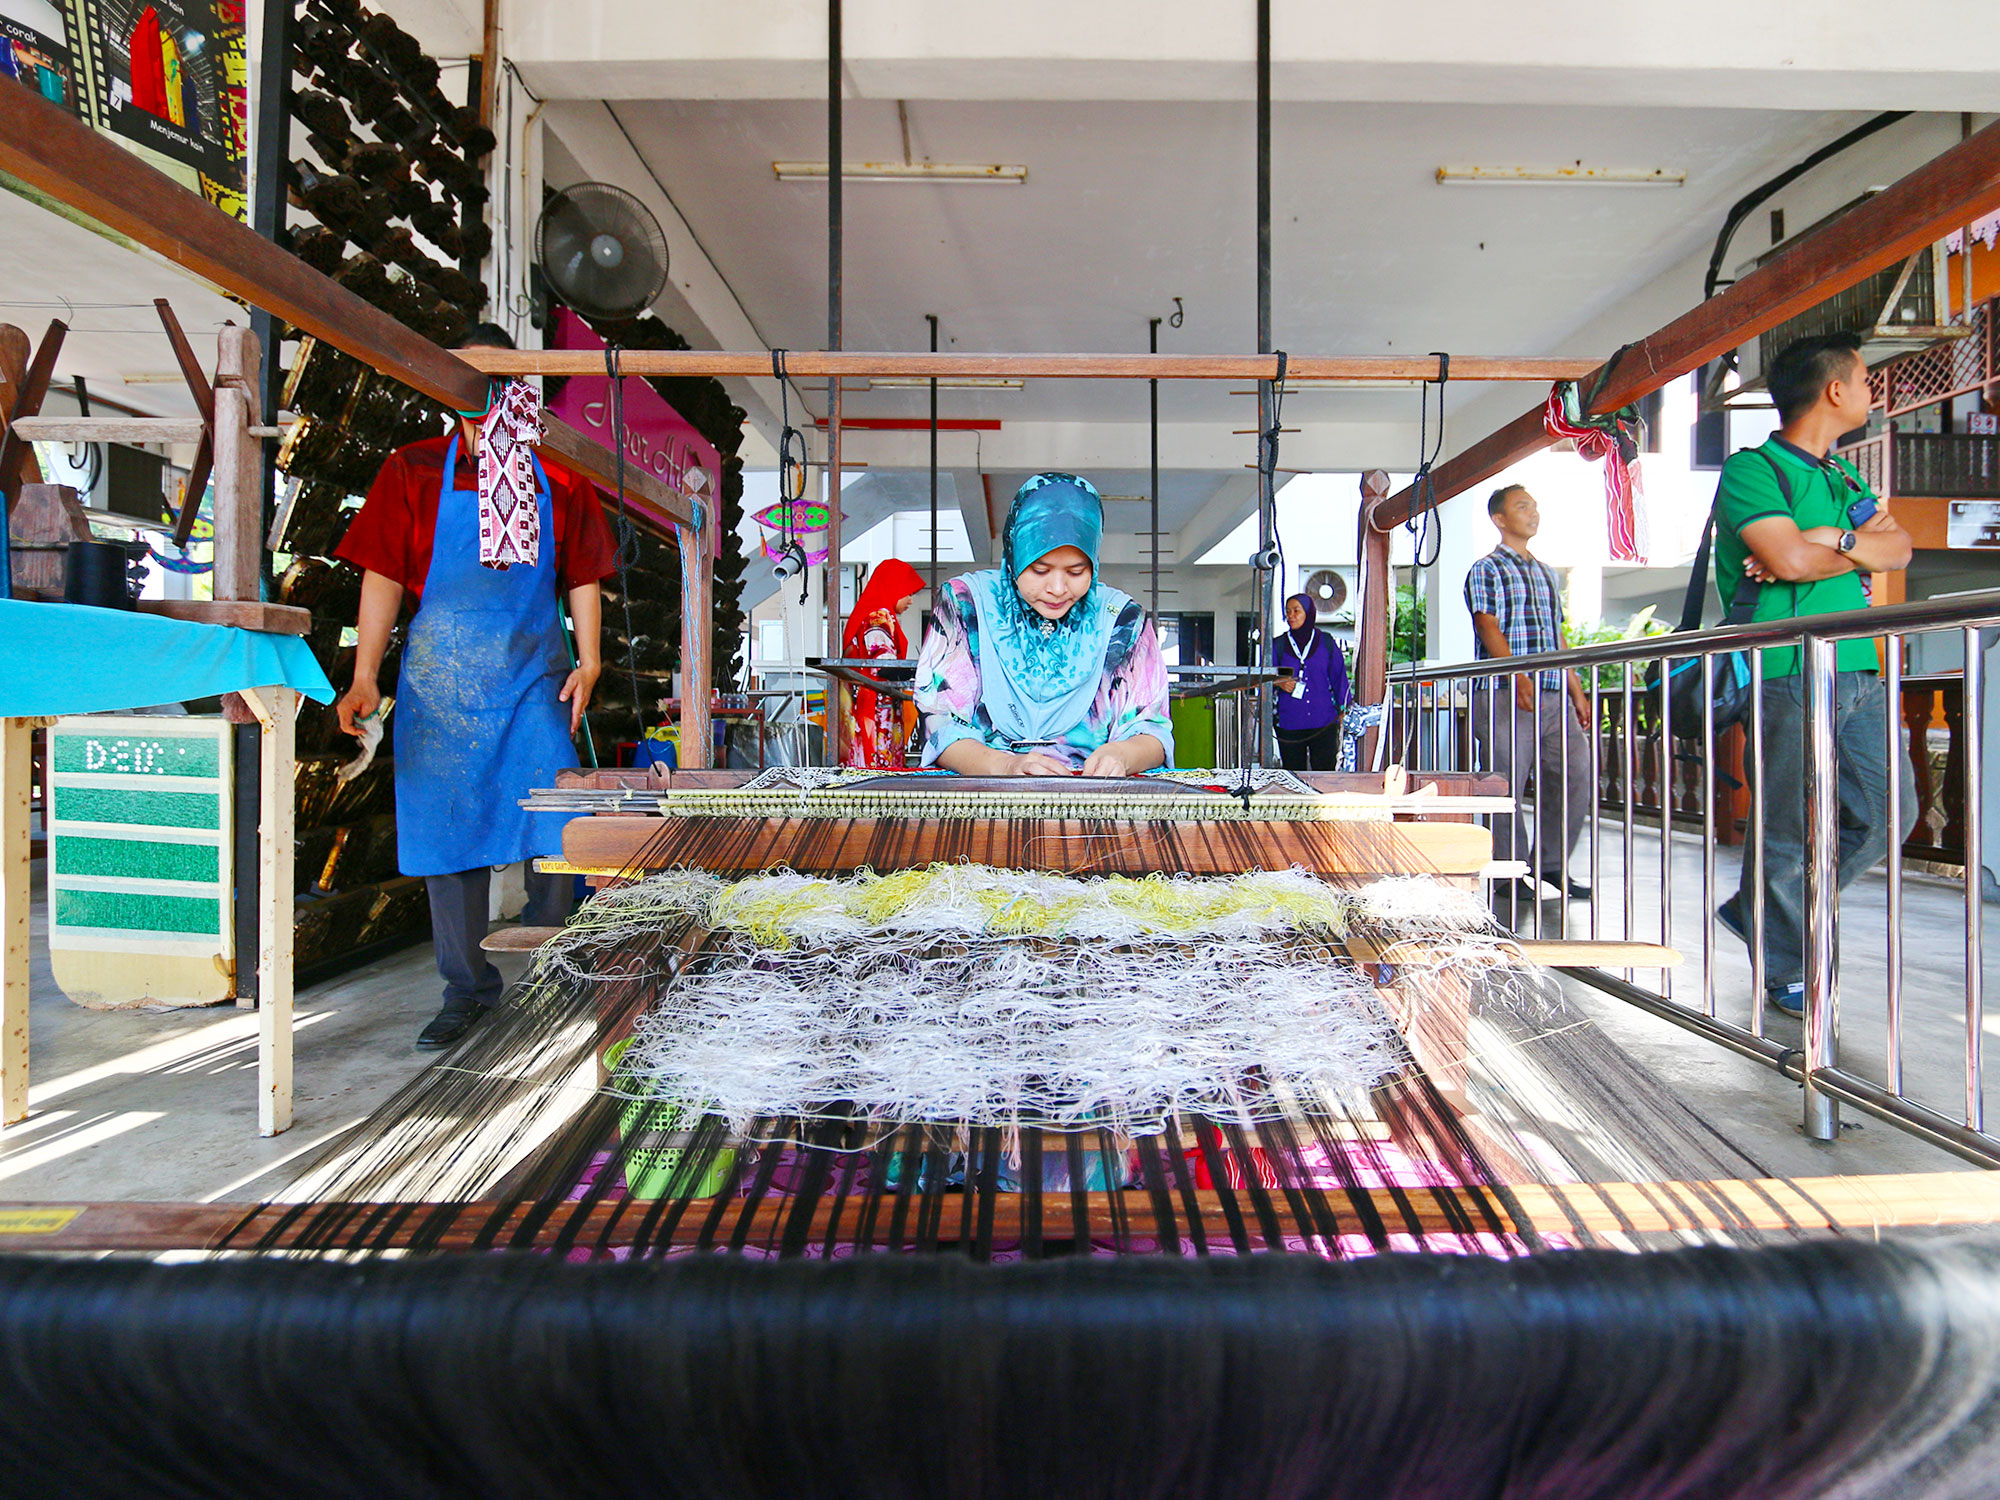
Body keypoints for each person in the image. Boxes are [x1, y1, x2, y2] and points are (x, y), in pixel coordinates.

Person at [334, 323, 616, 1049]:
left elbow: (581, 574)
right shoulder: (414, 470)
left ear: (518, 387)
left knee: (555, 819)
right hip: (440, 681)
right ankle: (467, 989)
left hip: (533, 676)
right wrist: (365, 675)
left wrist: (589, 659)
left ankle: (558, 969)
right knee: (446, 832)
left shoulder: (556, 472)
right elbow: (383, 577)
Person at [1713, 331, 1915, 1019]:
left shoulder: (1843, 477)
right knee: (1785, 831)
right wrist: (1838, 551)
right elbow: (1790, 564)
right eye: (1863, 380)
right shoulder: (1754, 471)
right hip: (1787, 668)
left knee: (1890, 814)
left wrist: (1830, 540)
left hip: (1857, 664)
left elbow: (1899, 549)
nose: (1870, 391)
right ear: (1834, 390)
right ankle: (1789, 965)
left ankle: (1755, 907)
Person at [916, 472, 1172, 776]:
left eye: (1077, 571)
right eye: (1039, 569)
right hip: (985, 797)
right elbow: (941, 722)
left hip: (1089, 801)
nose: (1058, 588)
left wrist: (1122, 755)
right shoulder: (966, 604)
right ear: (1013, 556)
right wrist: (1007, 765)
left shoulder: (1123, 620)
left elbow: (1151, 730)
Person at [1464, 485, 1593, 913]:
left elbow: (1557, 636)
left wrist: (1577, 691)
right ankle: (1509, 871)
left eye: (1534, 506)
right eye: (1522, 506)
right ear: (1500, 519)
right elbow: (1488, 627)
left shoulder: (1547, 572)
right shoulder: (1486, 569)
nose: (1533, 513)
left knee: (1576, 775)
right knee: (1506, 786)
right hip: (1505, 693)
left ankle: (1551, 866)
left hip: (1554, 692)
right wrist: (1515, 672)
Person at [839, 557, 926, 769]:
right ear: (894, 587)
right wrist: (922, 670)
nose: (911, 600)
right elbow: (883, 662)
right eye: (908, 593)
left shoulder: (867, 613)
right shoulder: (879, 615)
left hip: (864, 701)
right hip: (876, 706)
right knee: (879, 771)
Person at [1273, 592, 1350, 772]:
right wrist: (1279, 682)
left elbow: (1339, 678)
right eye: (1288, 611)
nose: (1290, 615)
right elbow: (1262, 678)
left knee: (1324, 774)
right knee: (1293, 775)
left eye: (1296, 611)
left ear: (1309, 613)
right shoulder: (1278, 645)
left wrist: (1344, 710)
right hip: (1289, 722)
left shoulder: (1326, 643)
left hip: (1323, 722)